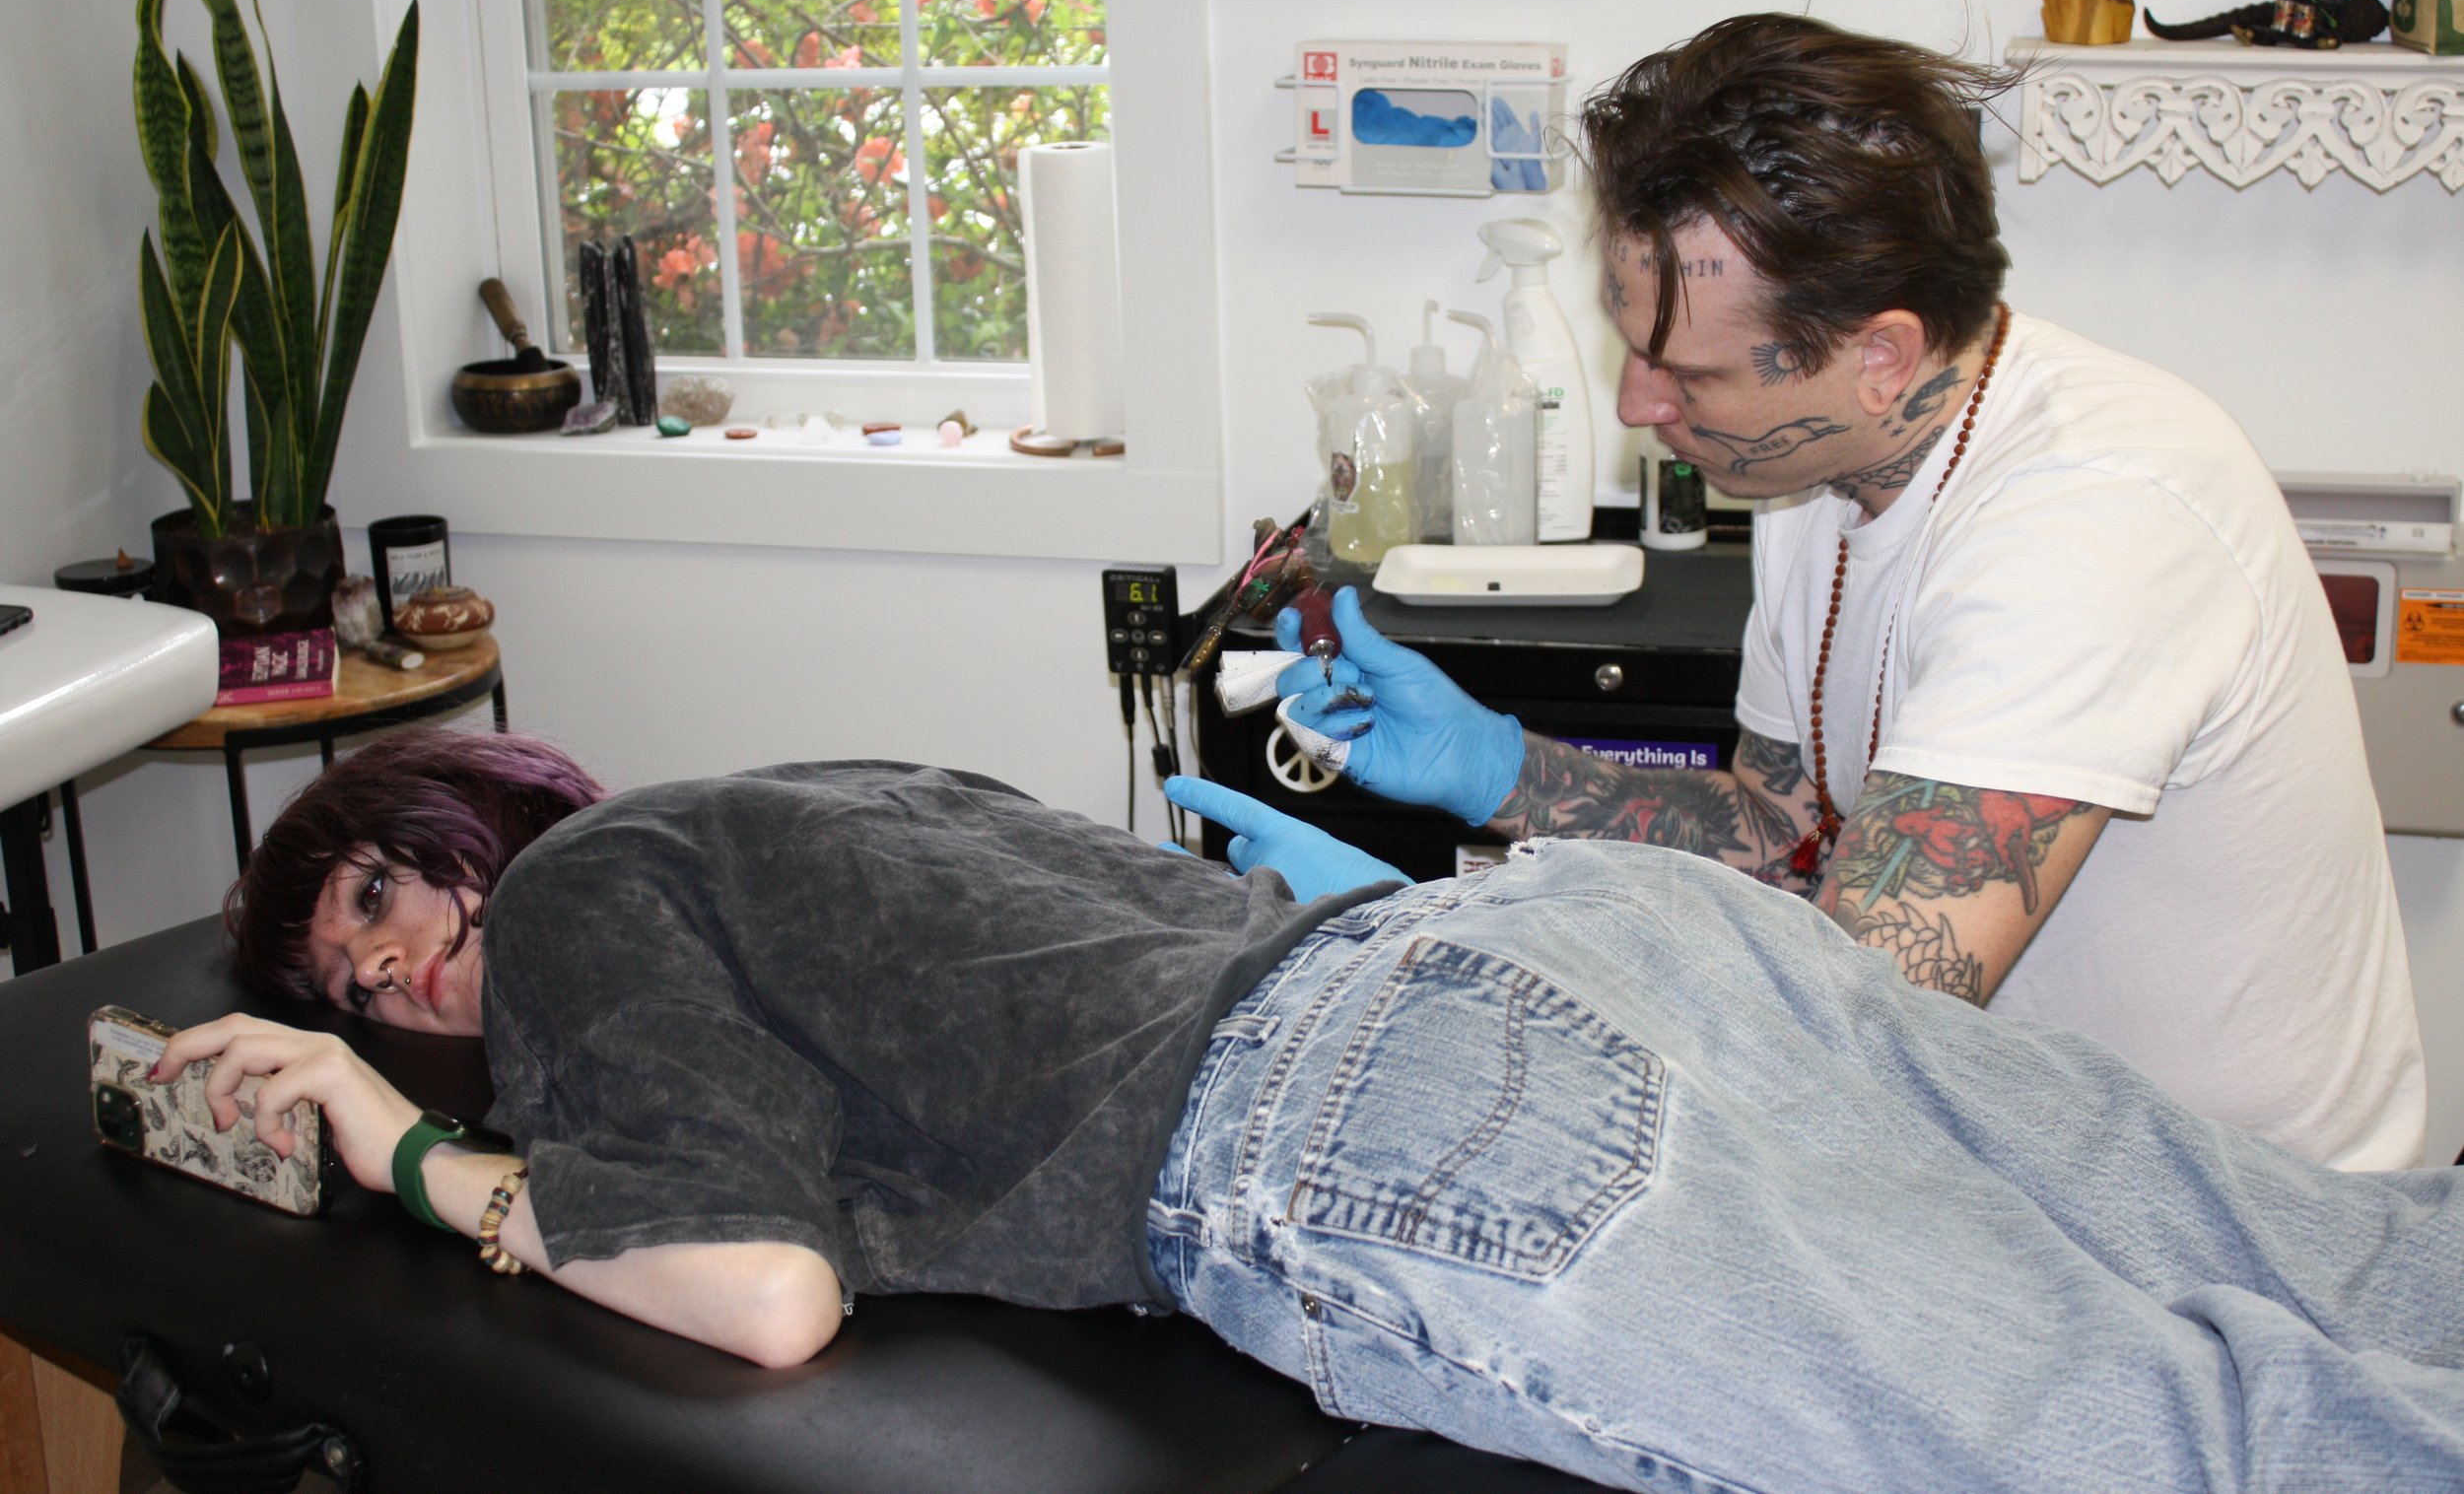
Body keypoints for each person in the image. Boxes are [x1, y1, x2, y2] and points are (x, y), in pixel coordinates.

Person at [164, 729, 2463, 1493]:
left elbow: (758, 1295)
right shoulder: (811, 787)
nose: (394, 969)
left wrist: (406, 1145)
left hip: (1371, 1104)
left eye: (377, 891)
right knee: (2289, 1247)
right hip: (1596, 943)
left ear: (464, 812)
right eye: (351, 991)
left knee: (2137, 1441)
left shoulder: (582, 891)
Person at [1257, 13, 2426, 1172]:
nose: (1636, 406)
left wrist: (1426, 947)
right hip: (2021, 1157)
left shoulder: (2090, 522)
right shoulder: (1812, 467)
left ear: (1879, 357)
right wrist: (1504, 768)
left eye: (1688, 372)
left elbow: (1843, 1037)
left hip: (2235, 1224)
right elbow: (1784, 841)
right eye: (1631, 345)